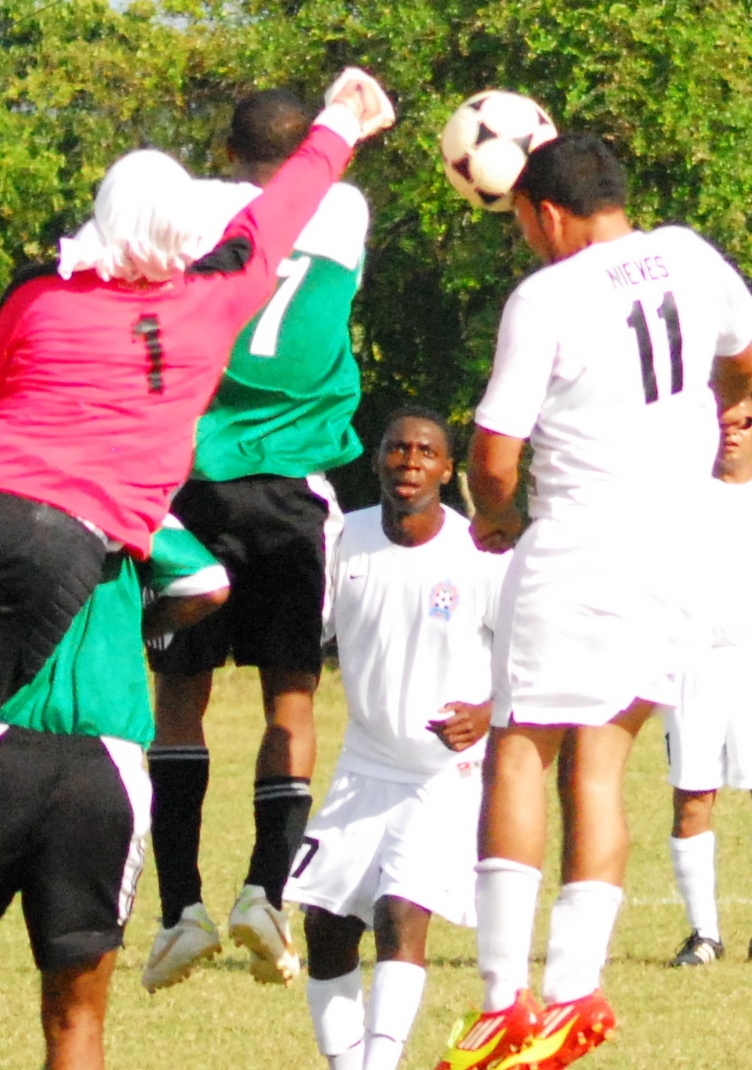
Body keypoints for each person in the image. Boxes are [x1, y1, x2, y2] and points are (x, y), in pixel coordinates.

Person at [0, 69, 395, 901]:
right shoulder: (208, 302)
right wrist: (340, 125)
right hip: (59, 535)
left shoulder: (41, 289)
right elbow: (281, 212)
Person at [435, 134, 752, 1070]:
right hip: (677, 545)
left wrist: (494, 521)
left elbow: (495, 453)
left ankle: (504, 1002)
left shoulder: (549, 294)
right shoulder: (692, 254)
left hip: (581, 541)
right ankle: (577, 990)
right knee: (604, 767)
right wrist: (728, 407)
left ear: (546, 213)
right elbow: (744, 356)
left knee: (521, 754)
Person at [141, 88, 371, 990]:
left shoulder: (192, 209)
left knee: (180, 698)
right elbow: (316, 177)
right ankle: (264, 893)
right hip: (290, 491)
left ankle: (177, 909)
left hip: (190, 483)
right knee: (293, 703)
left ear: (223, 148)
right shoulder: (344, 207)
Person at [0, 520, 229, 1070]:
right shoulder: (127, 494)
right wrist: (136, 627)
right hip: (107, 765)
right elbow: (207, 582)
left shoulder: (0, 489)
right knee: (78, 1019)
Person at [284, 407, 507, 1070]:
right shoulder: (343, 539)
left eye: (425, 451)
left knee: (399, 912)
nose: (410, 461)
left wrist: (490, 711)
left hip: (445, 773)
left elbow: (530, 657)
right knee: (325, 927)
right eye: (397, 448)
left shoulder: (478, 554)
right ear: (378, 459)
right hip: (364, 764)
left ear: (447, 467)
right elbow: (306, 634)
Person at [663, 393, 752, 967]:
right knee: (693, 798)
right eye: (724, 425)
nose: (733, 434)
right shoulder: (679, 495)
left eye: (745, 424)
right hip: (692, 661)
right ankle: (705, 935)